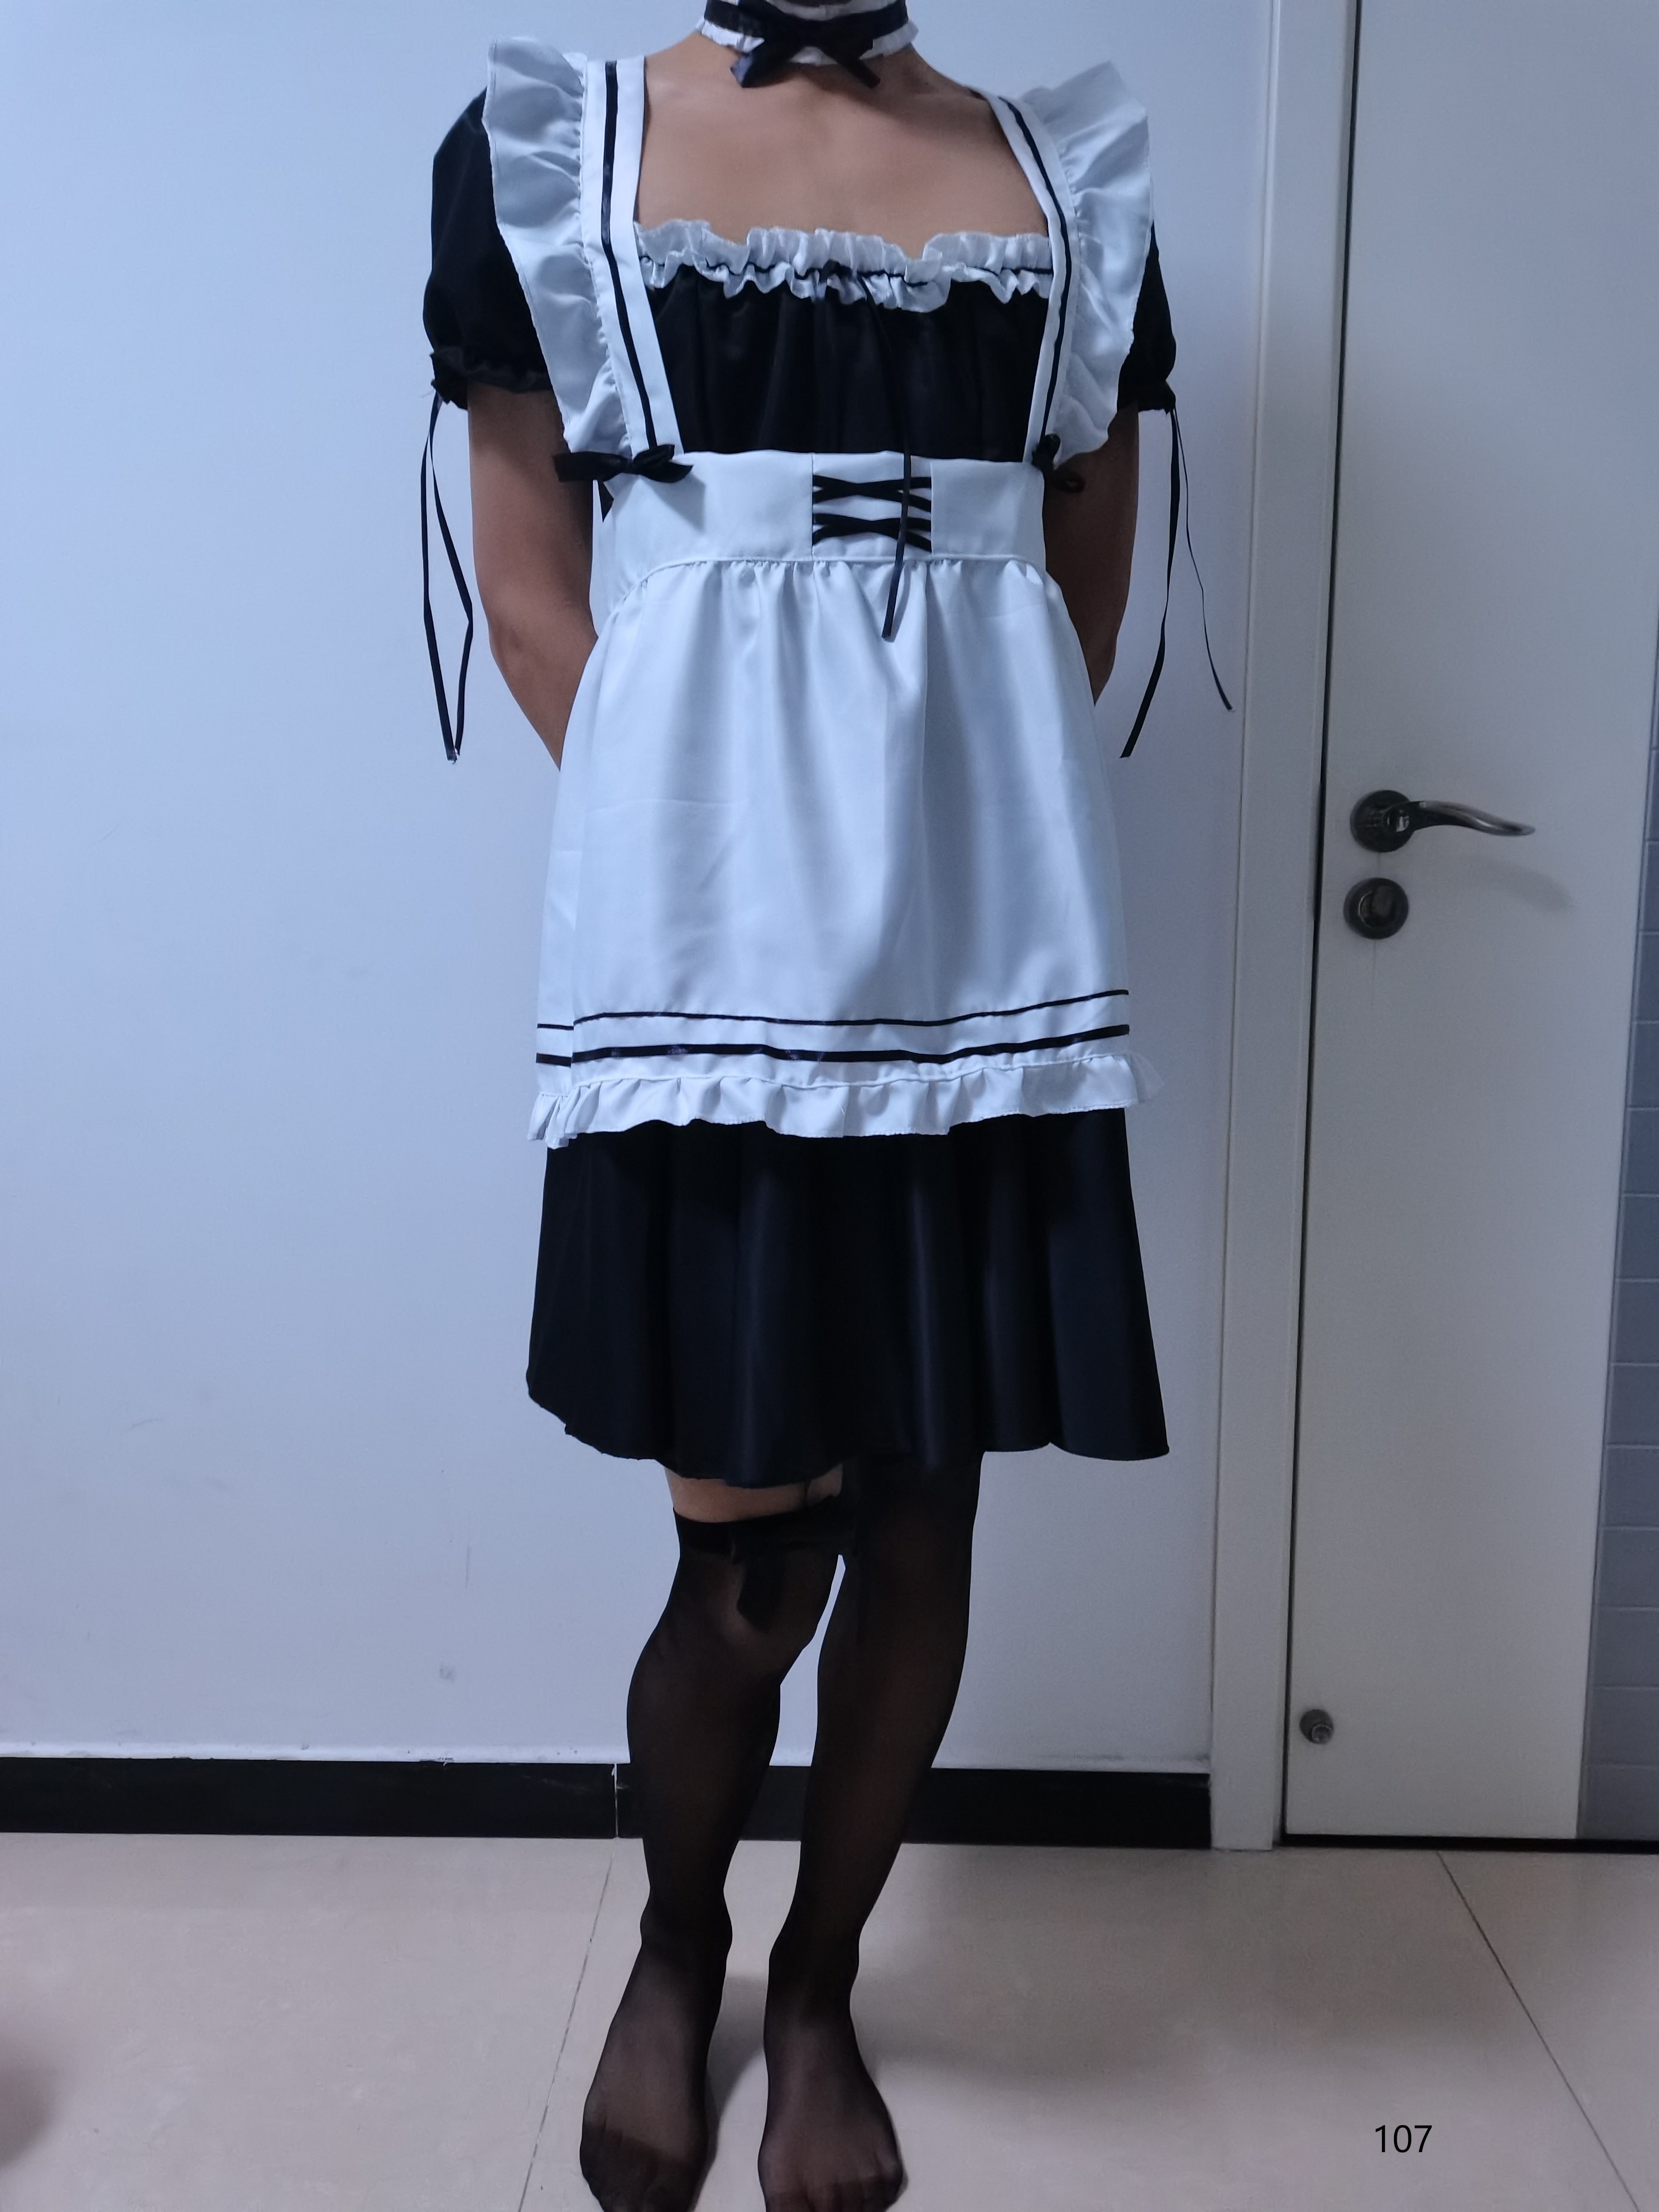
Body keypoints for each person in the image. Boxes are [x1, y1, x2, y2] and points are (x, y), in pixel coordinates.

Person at [424, 5, 1178, 2206]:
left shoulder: (1063, 178)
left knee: (925, 1533)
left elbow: (1072, 593)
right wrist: (725, 870)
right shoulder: (551, 155)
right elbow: (533, 591)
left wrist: (937, 850)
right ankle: (681, 1952)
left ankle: (824, 1986)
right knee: (751, 1567)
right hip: (713, 986)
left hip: (983, 976)